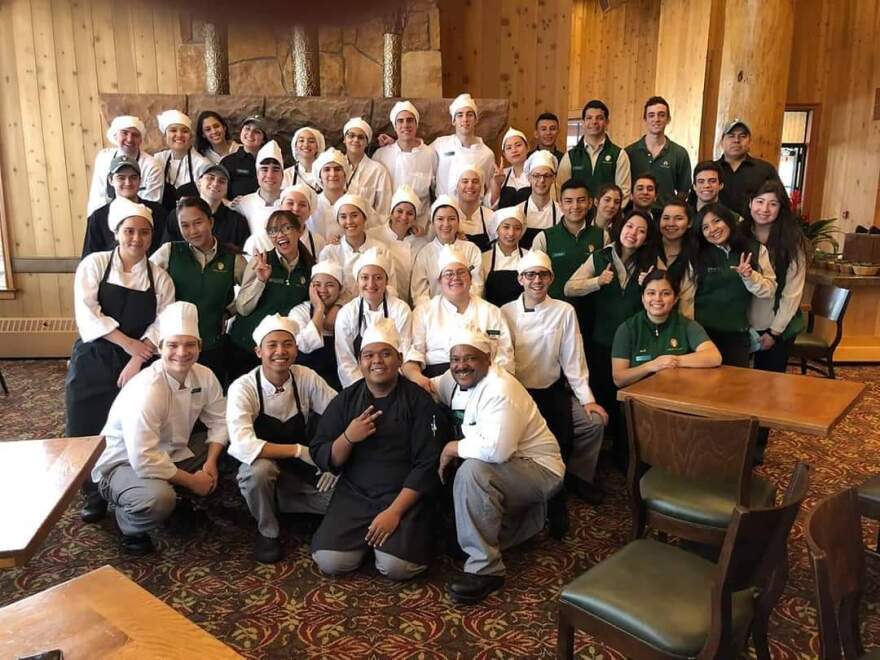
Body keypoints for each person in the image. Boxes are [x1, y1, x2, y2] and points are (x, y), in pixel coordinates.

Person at [434, 326, 564, 604]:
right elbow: (430, 387)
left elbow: (497, 450)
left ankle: (486, 569)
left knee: (472, 471)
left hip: (538, 468)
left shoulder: (501, 388)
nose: (461, 366)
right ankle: (535, 518)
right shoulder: (454, 378)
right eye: (455, 359)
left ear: (488, 359)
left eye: (470, 358)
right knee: (460, 531)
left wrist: (451, 448)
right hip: (508, 468)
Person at [86, 302, 227, 555]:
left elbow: (220, 420)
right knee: (158, 499)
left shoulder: (205, 376)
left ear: (199, 347)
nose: (182, 353)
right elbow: (144, 459)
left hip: (172, 450)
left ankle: (180, 494)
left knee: (234, 449)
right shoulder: (148, 388)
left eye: (190, 345)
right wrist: (194, 481)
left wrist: (212, 462)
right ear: (160, 348)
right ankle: (129, 525)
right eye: (173, 345)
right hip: (125, 463)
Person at [310, 318, 441, 581]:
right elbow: (323, 453)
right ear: (360, 362)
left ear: (400, 358)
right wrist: (348, 437)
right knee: (330, 561)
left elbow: (427, 463)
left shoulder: (419, 401)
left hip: (403, 495)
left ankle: (385, 544)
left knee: (396, 567)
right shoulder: (346, 399)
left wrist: (394, 512)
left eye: (385, 353)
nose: (377, 361)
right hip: (355, 494)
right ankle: (370, 542)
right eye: (369, 355)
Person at [501, 251, 607, 525]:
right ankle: (533, 493)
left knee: (594, 423)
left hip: (551, 391)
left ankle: (577, 476)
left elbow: (574, 360)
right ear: (520, 279)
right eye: (530, 275)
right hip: (518, 394)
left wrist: (588, 399)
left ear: (551, 278)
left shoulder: (564, 311)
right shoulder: (504, 313)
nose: (537, 280)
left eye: (543, 275)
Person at [67, 197, 175, 456]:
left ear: (152, 236)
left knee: (135, 428)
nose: (137, 238)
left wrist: (137, 359)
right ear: (116, 233)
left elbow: (163, 321)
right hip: (94, 357)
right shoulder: (94, 264)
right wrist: (130, 346)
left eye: (144, 232)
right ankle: (91, 490)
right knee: (86, 424)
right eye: (129, 231)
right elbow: (88, 312)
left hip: (140, 363)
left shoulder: (159, 277)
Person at [227, 314, 338, 563]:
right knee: (257, 473)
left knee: (338, 499)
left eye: (287, 344)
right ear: (258, 352)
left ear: (296, 350)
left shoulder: (305, 377)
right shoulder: (243, 388)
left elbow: (339, 413)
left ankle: (278, 501)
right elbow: (242, 443)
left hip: (301, 470)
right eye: (272, 345)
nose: (281, 351)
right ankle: (268, 530)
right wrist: (298, 451)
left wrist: (333, 460)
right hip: (264, 463)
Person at [564, 210, 656, 448]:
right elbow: (569, 288)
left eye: (641, 230)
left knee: (630, 398)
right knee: (602, 389)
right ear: (620, 228)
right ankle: (602, 445)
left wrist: (651, 283)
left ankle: (628, 448)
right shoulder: (600, 257)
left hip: (635, 341)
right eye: (629, 227)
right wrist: (597, 282)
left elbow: (664, 291)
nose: (633, 233)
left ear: (646, 238)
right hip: (602, 338)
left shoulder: (651, 261)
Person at [150, 197, 247, 387]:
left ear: (211, 221)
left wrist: (229, 311)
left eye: (198, 223)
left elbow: (251, 293)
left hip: (213, 347)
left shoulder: (233, 259)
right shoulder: (169, 252)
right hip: (176, 350)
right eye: (185, 226)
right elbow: (144, 283)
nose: (192, 231)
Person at [404, 245, 513, 382]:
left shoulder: (492, 312)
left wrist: (492, 385)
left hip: (485, 381)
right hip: (434, 381)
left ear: (470, 278)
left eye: (461, 272)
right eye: (448, 274)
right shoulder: (424, 311)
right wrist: (419, 380)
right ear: (440, 281)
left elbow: (505, 356)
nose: (455, 278)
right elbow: (414, 354)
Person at [229, 210, 314, 379]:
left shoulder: (310, 267)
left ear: (299, 231)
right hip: (245, 345)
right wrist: (260, 281)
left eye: (286, 228)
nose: (280, 235)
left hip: (278, 352)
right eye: (273, 231)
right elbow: (242, 308)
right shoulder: (261, 261)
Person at [691, 202, 776, 367]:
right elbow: (686, 295)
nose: (713, 229)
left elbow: (770, 290)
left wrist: (750, 276)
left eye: (717, 221)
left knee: (735, 387)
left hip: (737, 333)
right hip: (702, 335)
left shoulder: (755, 249)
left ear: (728, 220)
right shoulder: (696, 254)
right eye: (705, 227)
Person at [611, 269, 722, 387]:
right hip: (640, 400)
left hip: (677, 395)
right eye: (651, 293)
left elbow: (714, 357)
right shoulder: (627, 329)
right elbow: (619, 379)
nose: (658, 299)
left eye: (665, 293)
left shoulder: (687, 325)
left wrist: (673, 360)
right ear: (643, 298)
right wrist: (650, 366)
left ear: (675, 299)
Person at [746, 181, 809, 372]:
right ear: (750, 203)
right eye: (759, 201)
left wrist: (774, 332)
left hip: (776, 325)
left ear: (781, 208)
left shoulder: (792, 241)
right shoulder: (739, 233)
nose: (764, 209)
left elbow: (793, 292)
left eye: (773, 204)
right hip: (743, 323)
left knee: (768, 386)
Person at [335, 249, 412, 388]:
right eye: (365, 277)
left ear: (386, 281)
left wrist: (388, 388)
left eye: (378, 278)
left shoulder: (401, 310)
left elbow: (404, 353)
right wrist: (364, 389)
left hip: (395, 384)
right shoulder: (346, 313)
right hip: (358, 386)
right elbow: (345, 361)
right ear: (357, 280)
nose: (371, 284)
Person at [531, 179, 605, 302]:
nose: (575, 206)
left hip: (594, 310)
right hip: (555, 311)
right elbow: (534, 277)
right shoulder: (544, 238)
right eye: (568, 201)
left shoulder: (602, 236)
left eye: (581, 200)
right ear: (560, 204)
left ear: (590, 202)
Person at [82, 155, 166, 257]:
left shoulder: (157, 212)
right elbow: (88, 257)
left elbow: (164, 252)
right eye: (121, 178)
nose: (128, 183)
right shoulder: (98, 217)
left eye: (133, 177)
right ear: (110, 180)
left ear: (140, 180)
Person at [317, 194, 397, 300]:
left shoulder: (381, 250)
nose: (349, 221)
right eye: (343, 217)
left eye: (354, 215)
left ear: (364, 217)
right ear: (338, 221)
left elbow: (391, 288)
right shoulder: (329, 252)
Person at [410, 196, 484, 307]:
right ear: (433, 223)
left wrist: (460, 309)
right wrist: (436, 313)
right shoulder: (424, 254)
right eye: (440, 219)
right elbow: (419, 294)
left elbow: (477, 287)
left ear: (458, 221)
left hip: (467, 312)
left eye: (451, 218)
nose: (446, 224)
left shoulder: (472, 249)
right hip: (434, 316)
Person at [372, 101, 436, 229]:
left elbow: (436, 191)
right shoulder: (381, 155)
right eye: (400, 121)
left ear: (416, 124)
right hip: (387, 225)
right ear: (395, 126)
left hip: (420, 226)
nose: (405, 125)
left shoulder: (430, 154)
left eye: (410, 120)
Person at [558, 99, 632, 205]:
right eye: (589, 118)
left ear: (607, 122)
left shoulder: (619, 155)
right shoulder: (570, 156)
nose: (594, 122)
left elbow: (624, 193)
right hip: (576, 218)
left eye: (599, 118)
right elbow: (561, 189)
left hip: (608, 219)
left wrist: (606, 215)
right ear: (583, 122)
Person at [162, 163, 251, 249]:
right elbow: (166, 251)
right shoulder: (177, 215)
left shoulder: (237, 221)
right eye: (211, 178)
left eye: (222, 181)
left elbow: (242, 257)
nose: (215, 184)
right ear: (199, 182)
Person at [87, 115, 163, 215]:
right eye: (124, 133)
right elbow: (97, 197)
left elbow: (151, 204)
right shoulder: (103, 158)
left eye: (135, 135)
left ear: (141, 139)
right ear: (115, 135)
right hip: (106, 217)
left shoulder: (152, 165)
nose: (129, 139)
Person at [366, 185, 428, 306]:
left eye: (410, 213)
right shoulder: (373, 235)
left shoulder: (420, 243)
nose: (404, 217)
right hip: (378, 303)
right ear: (391, 212)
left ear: (415, 218)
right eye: (399, 211)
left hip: (408, 304)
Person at [289, 261, 346, 391]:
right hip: (304, 384)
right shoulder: (299, 312)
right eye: (317, 285)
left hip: (339, 383)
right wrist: (319, 309)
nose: (323, 290)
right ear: (310, 287)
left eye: (330, 285)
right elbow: (304, 345)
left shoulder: (347, 312)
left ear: (340, 289)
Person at [625, 97, 692, 204]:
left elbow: (683, 191)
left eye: (661, 115)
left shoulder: (679, 153)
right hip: (635, 214)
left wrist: (672, 211)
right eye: (651, 115)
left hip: (666, 217)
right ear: (645, 119)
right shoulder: (629, 152)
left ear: (668, 119)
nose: (656, 119)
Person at [715, 119, 786, 218]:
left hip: (754, 230)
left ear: (750, 142)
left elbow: (782, 202)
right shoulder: (711, 170)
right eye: (731, 136)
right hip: (716, 230)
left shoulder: (765, 170)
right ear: (722, 141)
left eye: (742, 136)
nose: (736, 140)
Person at [431, 94, 496, 197]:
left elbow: (489, 190)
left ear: (476, 120)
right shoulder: (439, 145)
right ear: (453, 121)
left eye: (469, 115)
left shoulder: (487, 154)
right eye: (460, 115)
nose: (465, 119)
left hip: (473, 210)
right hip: (443, 209)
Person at [153, 110, 211, 213]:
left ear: (190, 137)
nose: (179, 135)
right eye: (173, 130)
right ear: (165, 136)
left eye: (185, 131)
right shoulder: (158, 160)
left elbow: (209, 202)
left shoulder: (202, 164)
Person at [342, 117, 392, 217]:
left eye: (361, 137)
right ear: (344, 139)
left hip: (368, 229)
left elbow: (383, 209)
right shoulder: (333, 166)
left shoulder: (378, 171)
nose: (355, 140)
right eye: (351, 135)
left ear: (367, 142)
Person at [236, 140, 285, 238]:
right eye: (264, 169)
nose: (270, 175)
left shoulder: (291, 202)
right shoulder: (243, 204)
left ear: (282, 175)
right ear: (257, 174)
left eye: (275, 169)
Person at [481, 205, 528, 307]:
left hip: (523, 318)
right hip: (493, 316)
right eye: (506, 227)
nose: (511, 233)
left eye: (517, 228)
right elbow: (479, 295)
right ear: (496, 229)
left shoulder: (529, 257)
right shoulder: (484, 259)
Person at [656, 198, 696, 311]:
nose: (671, 224)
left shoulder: (696, 253)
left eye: (678, 218)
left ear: (690, 223)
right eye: (666, 218)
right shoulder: (648, 249)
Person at [519, 151, 562, 249]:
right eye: (536, 176)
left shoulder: (562, 213)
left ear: (553, 178)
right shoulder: (518, 212)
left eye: (546, 176)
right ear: (529, 178)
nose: (542, 180)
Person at [309, 148, 354, 242]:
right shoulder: (311, 205)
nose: (333, 174)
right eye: (327, 169)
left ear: (345, 174)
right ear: (319, 175)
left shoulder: (356, 203)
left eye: (337, 169)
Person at [221, 114, 268, 199]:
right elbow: (218, 192)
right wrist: (228, 203)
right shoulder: (228, 162)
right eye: (247, 128)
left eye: (257, 131)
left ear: (263, 139)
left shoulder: (270, 162)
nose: (250, 134)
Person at [453, 160, 496, 252]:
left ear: (481, 187)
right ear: (456, 186)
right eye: (465, 181)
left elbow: (496, 251)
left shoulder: (490, 216)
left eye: (475, 181)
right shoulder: (449, 215)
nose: (470, 185)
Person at [274, 183, 326, 259]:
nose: (296, 209)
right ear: (281, 207)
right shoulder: (262, 239)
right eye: (290, 203)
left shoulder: (318, 242)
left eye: (302, 205)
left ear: (310, 211)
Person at [486, 127, 531, 210]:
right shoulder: (501, 175)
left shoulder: (537, 173)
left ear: (527, 148)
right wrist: (497, 185)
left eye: (518, 145)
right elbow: (490, 207)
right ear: (504, 154)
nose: (514, 150)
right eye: (509, 148)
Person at [282, 126, 325, 192]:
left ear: (318, 147)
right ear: (295, 146)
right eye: (301, 140)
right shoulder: (287, 175)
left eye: (311, 141)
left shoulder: (326, 173)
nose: (306, 145)